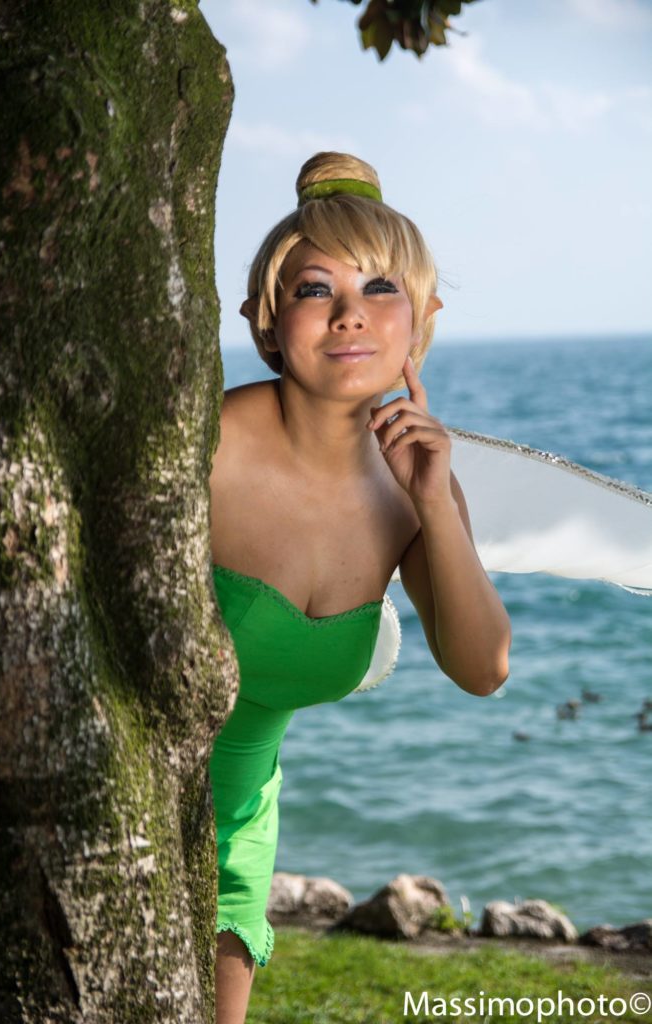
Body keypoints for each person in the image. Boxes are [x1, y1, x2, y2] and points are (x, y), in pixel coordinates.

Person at [208, 151, 512, 1024]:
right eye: (316, 289)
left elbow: (483, 668)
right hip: (106, 785)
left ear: (421, 319)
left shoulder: (416, 489)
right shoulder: (205, 444)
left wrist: (433, 506)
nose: (350, 313)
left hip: (241, 820)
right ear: (267, 322)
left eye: (381, 286)